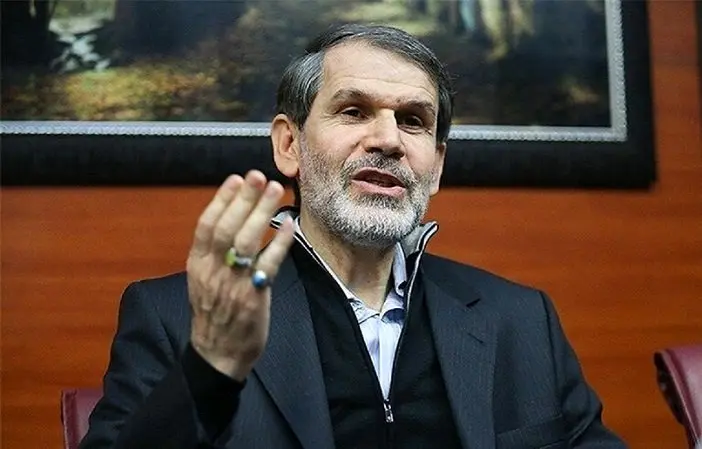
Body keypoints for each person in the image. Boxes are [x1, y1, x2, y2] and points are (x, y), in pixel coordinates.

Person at [80, 24, 626, 449]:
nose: (387, 139)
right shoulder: (176, 318)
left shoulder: (521, 321)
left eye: (413, 121)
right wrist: (210, 369)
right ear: (289, 145)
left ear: (436, 165)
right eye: (353, 111)